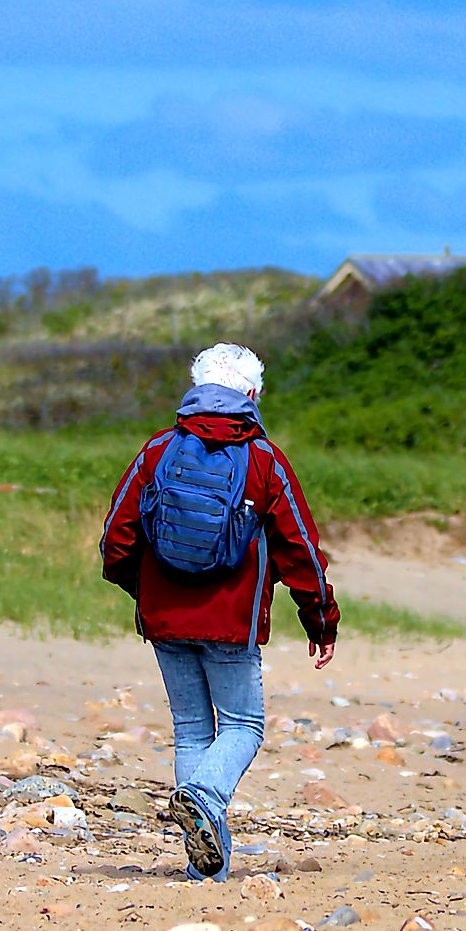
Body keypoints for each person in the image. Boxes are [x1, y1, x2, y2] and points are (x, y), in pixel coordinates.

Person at [101, 343, 339, 880]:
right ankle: (204, 799)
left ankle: (206, 868)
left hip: (165, 619)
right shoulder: (264, 460)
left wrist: (145, 593)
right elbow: (299, 548)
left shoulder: (158, 450)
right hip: (232, 621)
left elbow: (116, 541)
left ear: (195, 388)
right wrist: (321, 619)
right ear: (252, 395)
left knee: (191, 730)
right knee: (244, 726)